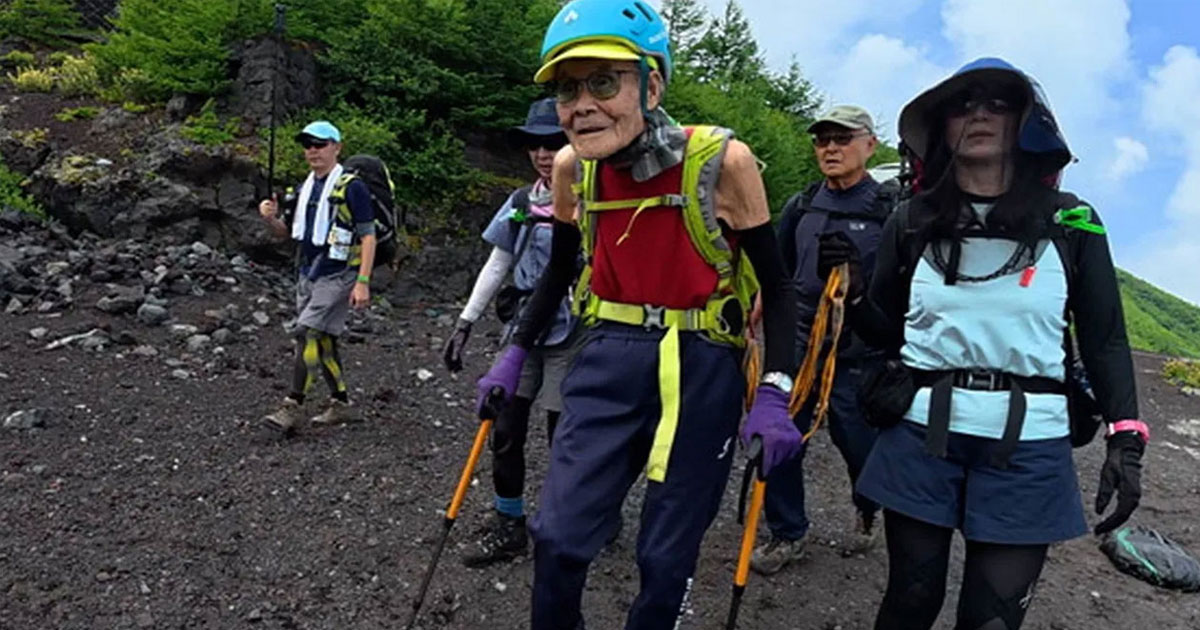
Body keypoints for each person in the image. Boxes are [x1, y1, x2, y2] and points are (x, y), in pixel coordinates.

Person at [473, 1, 799, 627]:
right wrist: (513, 354)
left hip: (702, 364)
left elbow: (779, 290)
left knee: (665, 557)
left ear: (651, 87)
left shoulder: (723, 163)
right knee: (558, 537)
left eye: (603, 82)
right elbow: (558, 274)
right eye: (567, 89)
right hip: (607, 353)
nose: (581, 105)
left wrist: (775, 392)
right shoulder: (572, 169)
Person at [820, 58, 1147, 630]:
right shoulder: (911, 221)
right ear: (941, 128)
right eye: (962, 105)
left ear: (1027, 122)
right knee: (909, 601)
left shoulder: (1074, 223)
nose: (978, 115)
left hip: (1030, 444)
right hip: (919, 434)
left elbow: (1105, 338)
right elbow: (886, 332)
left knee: (991, 619)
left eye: (998, 103)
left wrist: (1126, 438)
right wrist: (852, 292)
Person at [751, 105, 894, 575]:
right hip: (798, 345)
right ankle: (787, 532)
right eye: (822, 140)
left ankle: (867, 506)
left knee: (860, 446)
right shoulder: (803, 204)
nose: (830, 148)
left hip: (858, 351)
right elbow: (779, 268)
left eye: (842, 139)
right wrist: (759, 304)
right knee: (781, 436)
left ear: (869, 145)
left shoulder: (889, 210)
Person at [442, 97, 583, 567]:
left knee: (564, 435)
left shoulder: (591, 201)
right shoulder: (521, 203)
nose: (544, 154)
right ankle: (509, 522)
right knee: (504, 426)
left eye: (553, 143)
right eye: (535, 145)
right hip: (523, 329)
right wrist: (466, 321)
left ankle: (572, 521)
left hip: (573, 331)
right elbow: (498, 261)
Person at [258, 120, 377, 433]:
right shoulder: (304, 189)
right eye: (308, 145)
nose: (313, 150)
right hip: (308, 273)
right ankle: (341, 403)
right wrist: (270, 220)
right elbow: (286, 233)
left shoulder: (352, 187)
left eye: (320, 144)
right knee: (323, 339)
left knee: (306, 332)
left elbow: (368, 235)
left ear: (337, 147)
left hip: (339, 274)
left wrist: (363, 282)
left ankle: (292, 405)